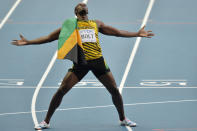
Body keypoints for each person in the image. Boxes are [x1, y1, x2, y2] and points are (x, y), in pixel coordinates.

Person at [12, 3, 154, 130]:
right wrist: (29, 42)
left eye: (85, 10)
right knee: (62, 90)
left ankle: (123, 119)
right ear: (76, 13)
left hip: (98, 62)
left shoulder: (96, 24)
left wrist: (136, 33)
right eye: (81, 11)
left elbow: (117, 33)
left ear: (88, 12)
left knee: (114, 90)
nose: (84, 12)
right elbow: (49, 37)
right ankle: (46, 121)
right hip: (81, 64)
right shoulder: (70, 26)